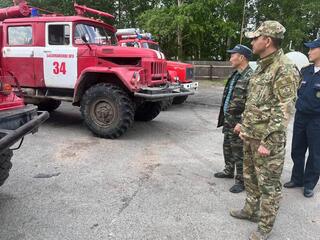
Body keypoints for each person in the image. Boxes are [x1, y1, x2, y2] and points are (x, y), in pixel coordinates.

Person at [230, 21, 300, 240]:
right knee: (250, 177)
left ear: (267, 41)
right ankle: (251, 210)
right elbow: (255, 101)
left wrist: (267, 143)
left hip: (266, 141)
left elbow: (284, 109)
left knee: (268, 186)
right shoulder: (262, 65)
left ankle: (265, 228)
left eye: (255, 38)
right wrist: (244, 123)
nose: (252, 41)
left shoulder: (284, 68)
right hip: (251, 135)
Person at [284, 38, 320, 198]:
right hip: (301, 116)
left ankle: (309, 184)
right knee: (297, 149)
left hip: (317, 120)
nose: (309, 52)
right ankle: (297, 178)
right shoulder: (306, 71)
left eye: (312, 49)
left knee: (315, 153)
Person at [216, 44, 253, 193]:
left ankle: (241, 181)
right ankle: (228, 170)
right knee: (228, 146)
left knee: (239, 151)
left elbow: (252, 104)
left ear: (242, 57)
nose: (230, 58)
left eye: (233, 55)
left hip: (239, 122)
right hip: (229, 119)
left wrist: (243, 123)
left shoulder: (251, 76)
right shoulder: (235, 74)